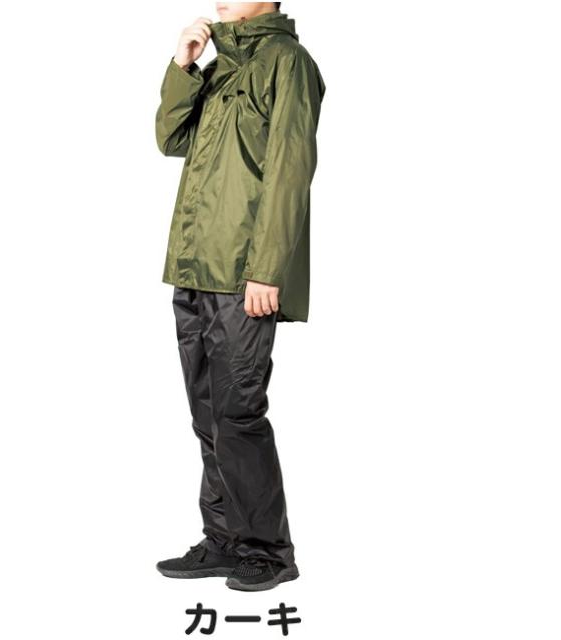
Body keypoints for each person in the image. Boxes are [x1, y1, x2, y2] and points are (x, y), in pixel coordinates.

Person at [154, 2, 325, 591]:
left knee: (237, 412)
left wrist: (267, 269)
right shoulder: (221, 64)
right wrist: (183, 66)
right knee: (208, 414)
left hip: (243, 272)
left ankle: (269, 551)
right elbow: (171, 139)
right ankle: (225, 538)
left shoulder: (287, 62)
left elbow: (290, 168)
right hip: (194, 263)